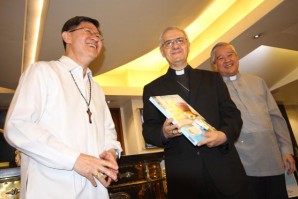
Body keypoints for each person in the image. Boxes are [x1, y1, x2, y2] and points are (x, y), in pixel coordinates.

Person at [4, 16, 122, 199]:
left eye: (99, 35)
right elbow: (17, 126)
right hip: (53, 189)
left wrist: (111, 152)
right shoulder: (43, 71)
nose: (96, 38)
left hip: (96, 189)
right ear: (67, 37)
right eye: (88, 31)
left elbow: (108, 132)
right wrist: (74, 159)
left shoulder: (96, 88)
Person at [142, 27, 249, 199]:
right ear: (162, 52)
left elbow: (232, 115)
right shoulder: (153, 88)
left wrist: (223, 135)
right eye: (168, 43)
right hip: (185, 178)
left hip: (224, 170)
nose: (175, 46)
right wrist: (163, 132)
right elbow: (148, 129)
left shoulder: (213, 79)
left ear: (188, 45)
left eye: (179, 40)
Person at [210, 42, 296, 199]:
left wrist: (286, 150)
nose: (227, 60)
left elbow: (276, 118)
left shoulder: (258, 81)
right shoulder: (213, 90)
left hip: (273, 159)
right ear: (214, 65)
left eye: (230, 55)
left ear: (237, 57)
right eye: (220, 58)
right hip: (242, 166)